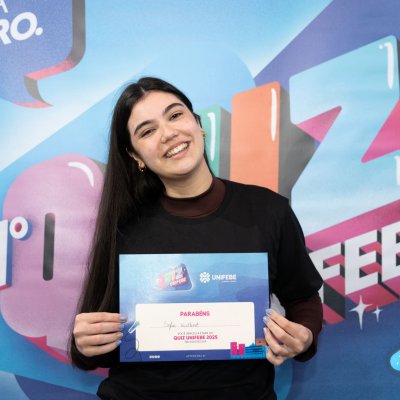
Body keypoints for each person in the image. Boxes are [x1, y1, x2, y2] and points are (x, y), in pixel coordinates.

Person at [70, 77, 323, 400]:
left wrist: (304, 336)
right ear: (135, 155)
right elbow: (100, 346)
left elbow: (303, 299)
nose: (168, 133)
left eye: (175, 115)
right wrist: (86, 343)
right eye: (147, 131)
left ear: (198, 124)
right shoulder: (124, 225)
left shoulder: (268, 210)